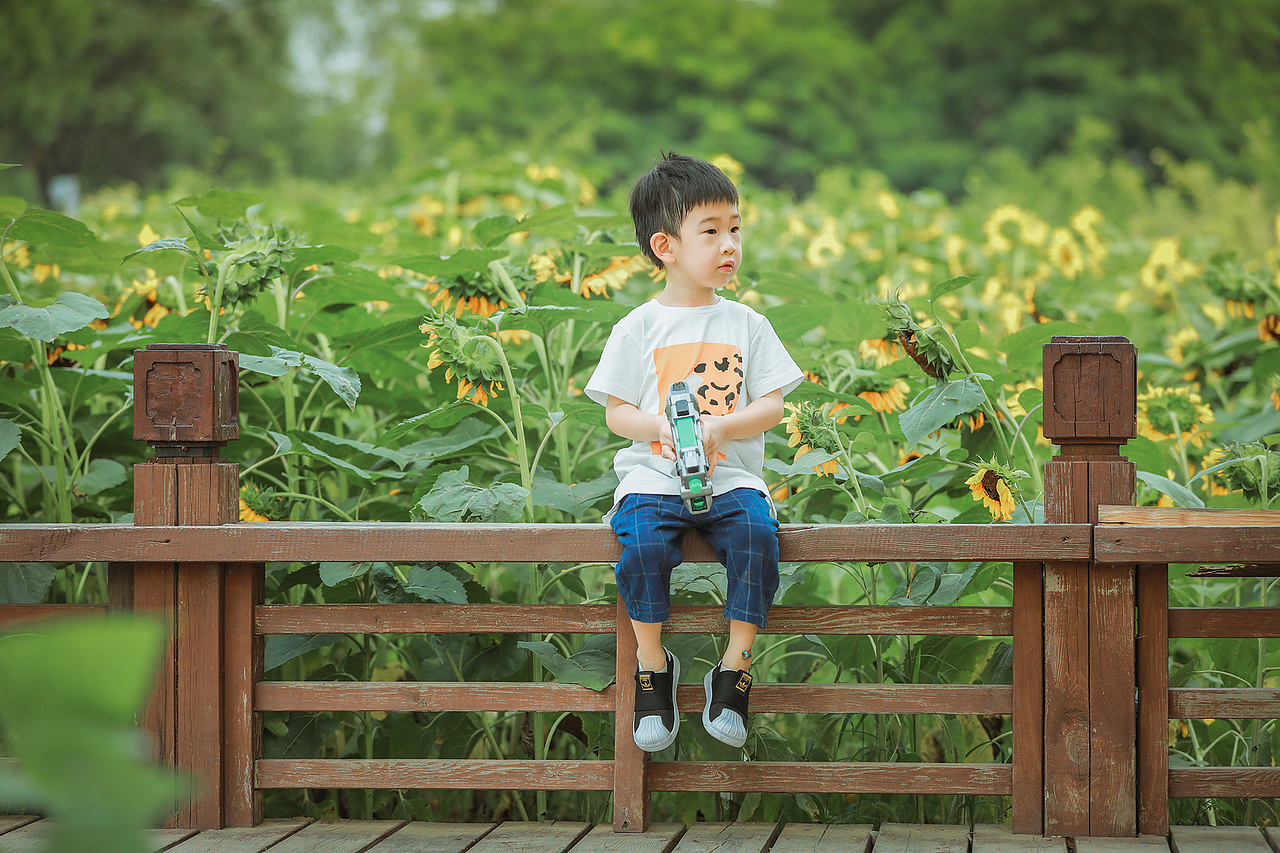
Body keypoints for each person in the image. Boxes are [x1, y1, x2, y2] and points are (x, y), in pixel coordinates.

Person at [585, 152, 804, 752]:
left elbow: (774, 404)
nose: (729, 244)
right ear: (666, 245)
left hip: (730, 478)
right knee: (642, 548)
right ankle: (653, 666)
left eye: (735, 228)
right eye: (711, 232)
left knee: (760, 538)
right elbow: (615, 411)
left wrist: (721, 429)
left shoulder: (748, 324)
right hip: (654, 477)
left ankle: (734, 667)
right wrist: (663, 427)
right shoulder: (638, 327)